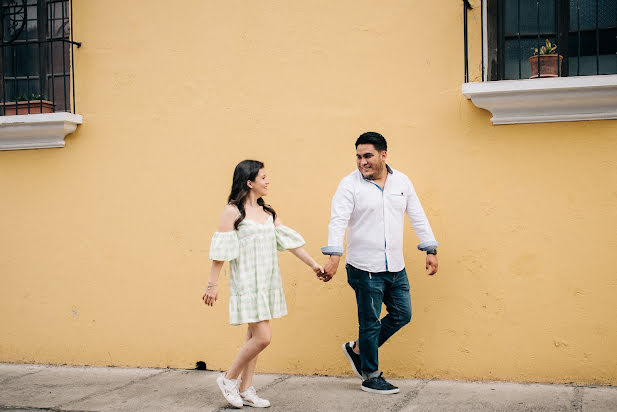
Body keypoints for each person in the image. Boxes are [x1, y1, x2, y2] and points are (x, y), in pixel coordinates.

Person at [321, 132, 439, 394]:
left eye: (368, 156)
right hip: (364, 267)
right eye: (358, 157)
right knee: (370, 323)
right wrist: (334, 256)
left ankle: (359, 349)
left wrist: (429, 248)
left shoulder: (402, 182)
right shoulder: (349, 185)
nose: (362, 162)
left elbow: (417, 215)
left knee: (402, 315)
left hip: (395, 267)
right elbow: (338, 220)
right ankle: (370, 375)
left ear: (383, 155)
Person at [203, 159, 325, 408]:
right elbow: (220, 252)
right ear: (250, 182)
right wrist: (212, 285)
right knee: (263, 338)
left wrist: (314, 265)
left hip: (267, 282)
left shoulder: (268, 212)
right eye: (264, 177)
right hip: (247, 283)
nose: (268, 181)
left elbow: (290, 243)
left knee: (253, 338)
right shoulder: (232, 212)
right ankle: (228, 380)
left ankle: (246, 389)